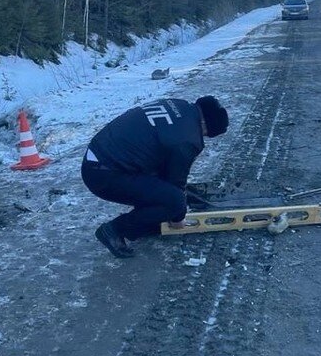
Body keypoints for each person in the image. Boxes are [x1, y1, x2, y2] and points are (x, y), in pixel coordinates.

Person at [81, 96, 229, 258]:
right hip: (104, 175)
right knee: (174, 202)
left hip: (97, 157)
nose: (203, 136)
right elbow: (175, 182)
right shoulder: (187, 138)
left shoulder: (177, 105)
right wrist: (178, 217)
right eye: (206, 134)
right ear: (205, 125)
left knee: (161, 188)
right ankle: (115, 230)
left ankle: (147, 223)